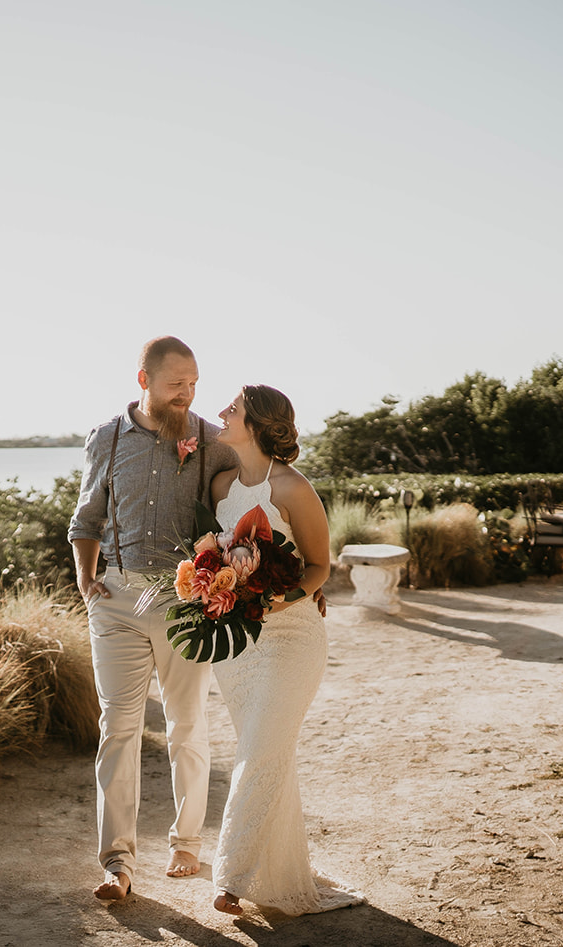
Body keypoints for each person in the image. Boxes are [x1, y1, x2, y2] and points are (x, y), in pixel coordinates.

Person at [68, 336, 239, 902]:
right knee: (117, 727)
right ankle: (117, 862)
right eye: (175, 385)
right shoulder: (106, 437)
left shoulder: (214, 442)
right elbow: (87, 515)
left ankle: (187, 841)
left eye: (193, 384)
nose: (187, 395)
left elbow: (245, 507)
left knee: (186, 725)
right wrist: (86, 578)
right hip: (116, 603)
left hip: (184, 606)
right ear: (144, 381)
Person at [207, 384, 363, 916]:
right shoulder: (221, 486)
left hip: (291, 635)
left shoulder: (294, 489)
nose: (221, 412)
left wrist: (277, 601)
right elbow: (213, 554)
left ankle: (229, 875)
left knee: (260, 750)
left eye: (233, 408)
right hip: (236, 643)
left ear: (254, 424)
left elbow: (321, 566)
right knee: (267, 752)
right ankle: (278, 872)